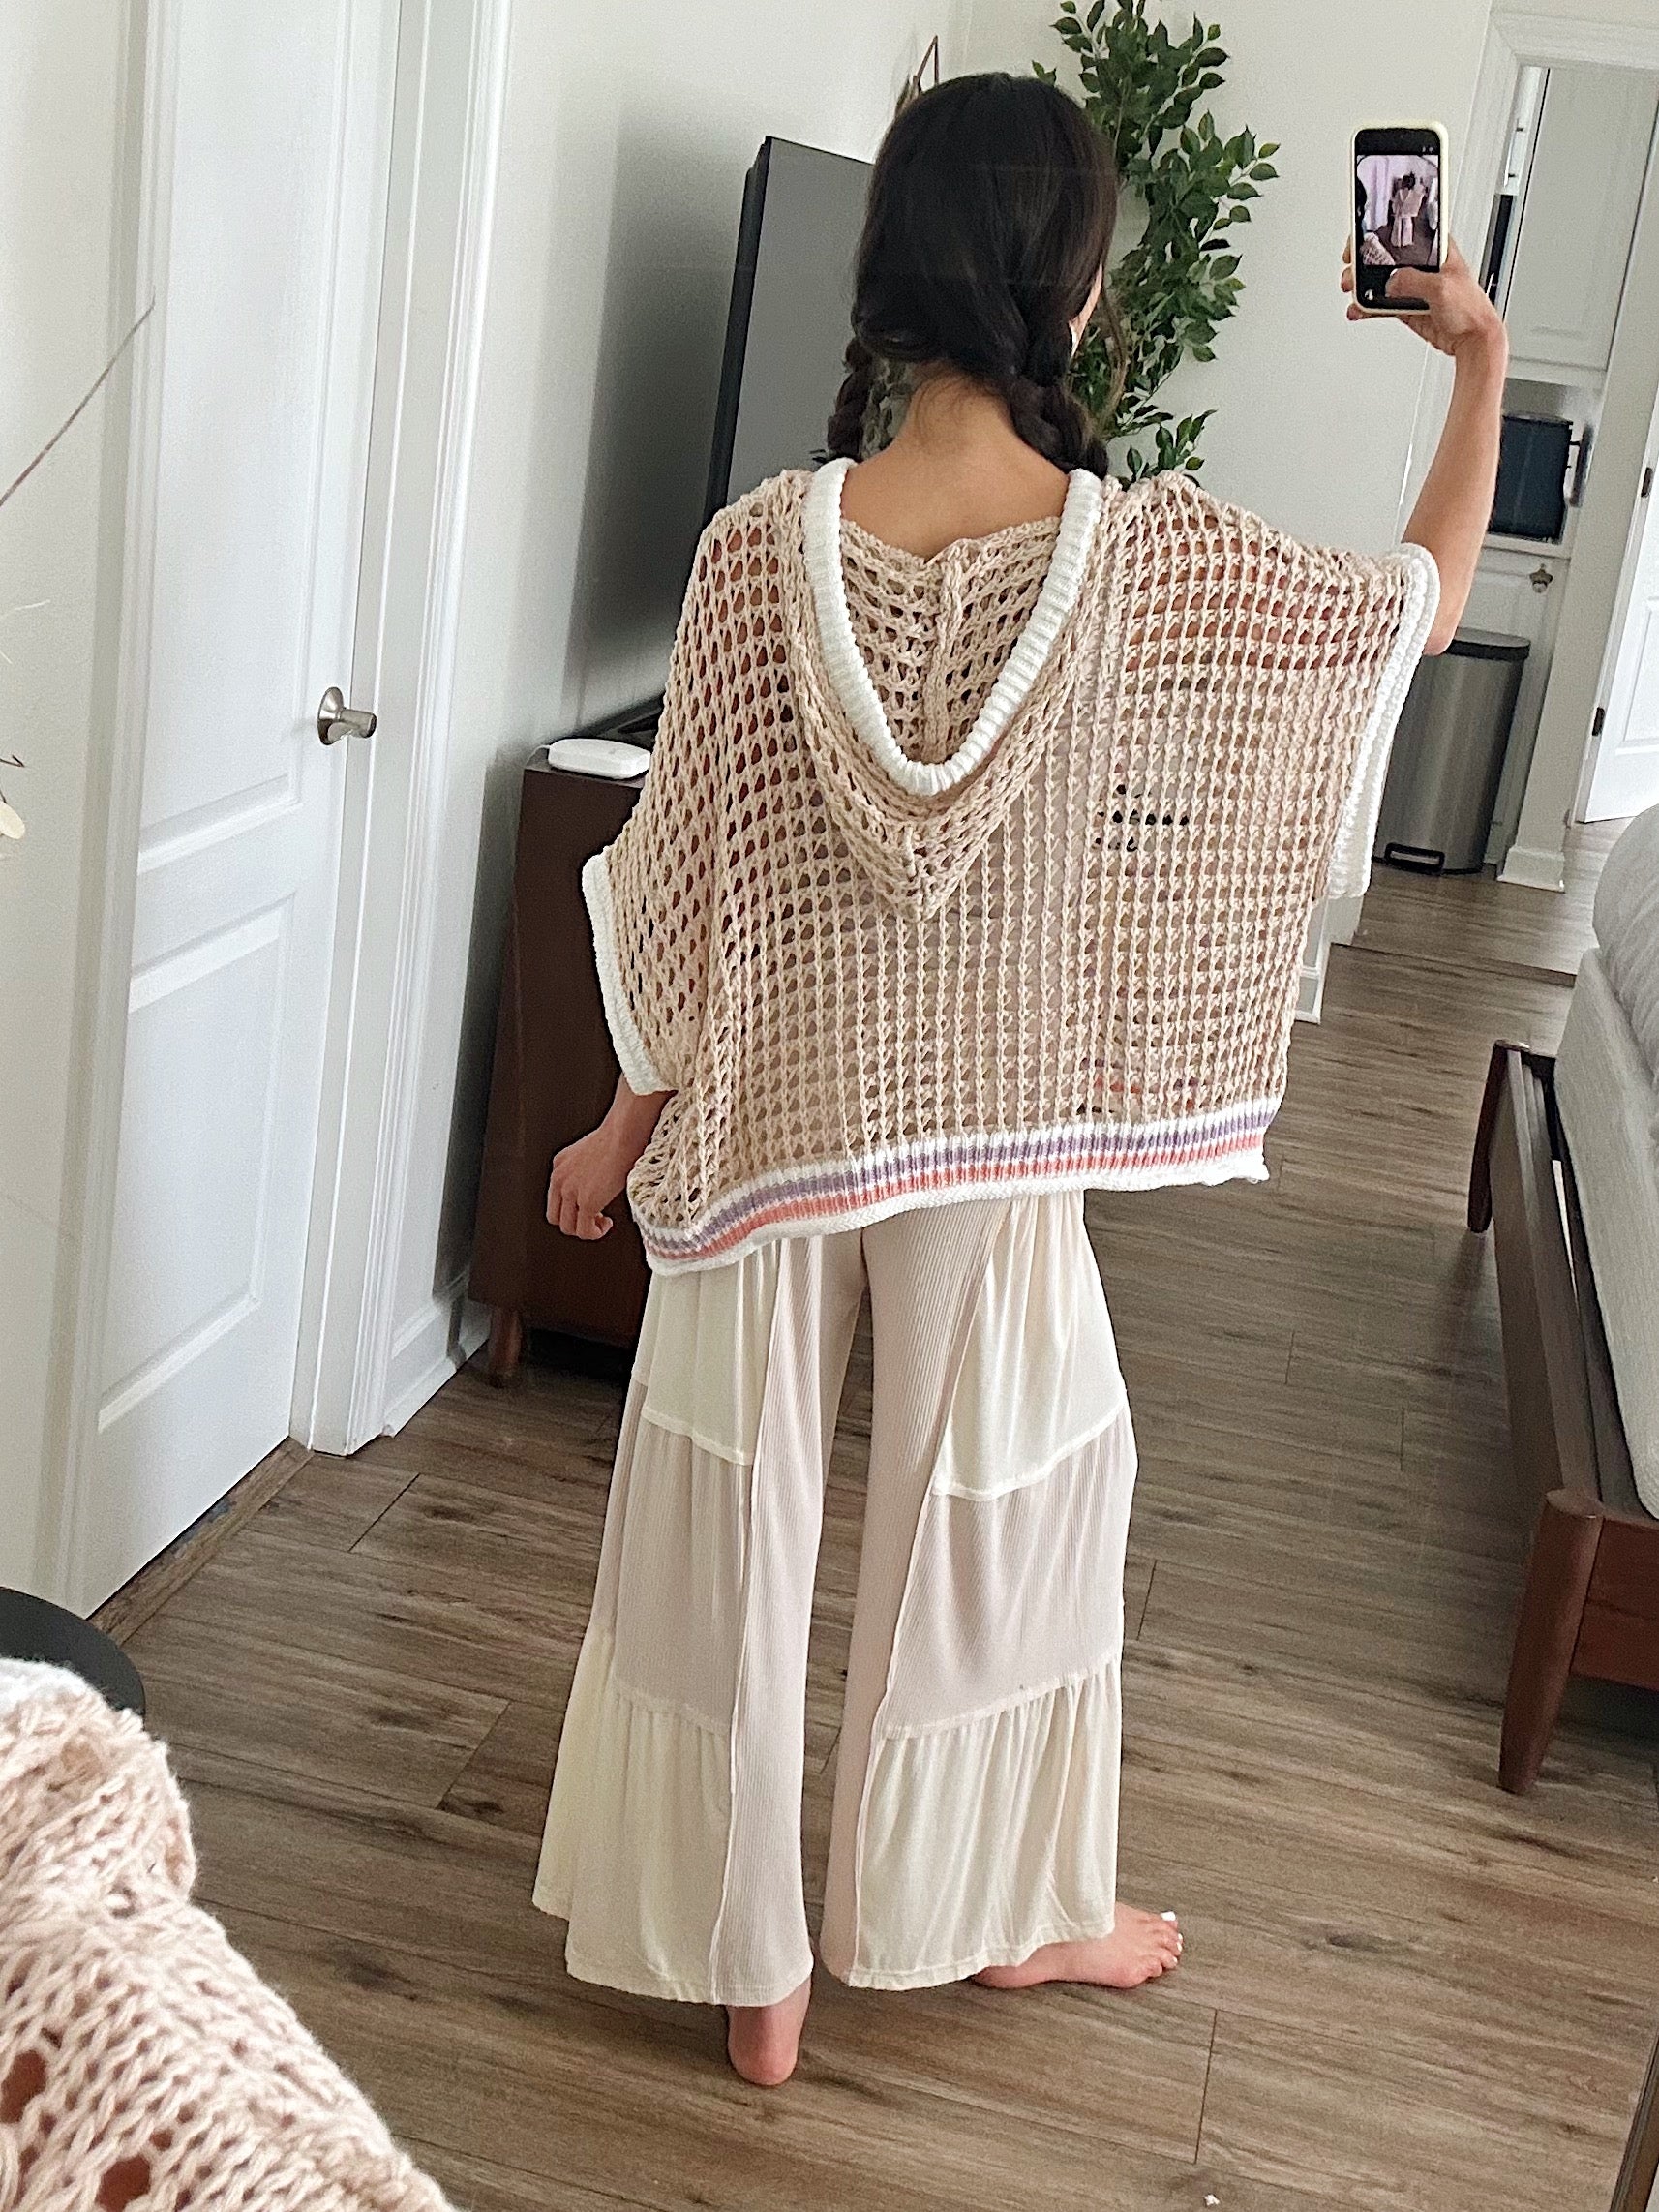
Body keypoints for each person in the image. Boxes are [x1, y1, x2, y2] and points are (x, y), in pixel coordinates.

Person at [532, 73, 1506, 2088]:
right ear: (1067, 291)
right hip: (991, 1127)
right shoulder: (1143, 561)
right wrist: (1473, 357)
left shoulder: (752, 552)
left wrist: (619, 1129)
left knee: (729, 1507)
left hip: (770, 1121)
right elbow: (1409, 615)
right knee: (1009, 1499)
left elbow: (686, 884)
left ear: (888, 272)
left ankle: (749, 1963)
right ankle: (986, 1906)